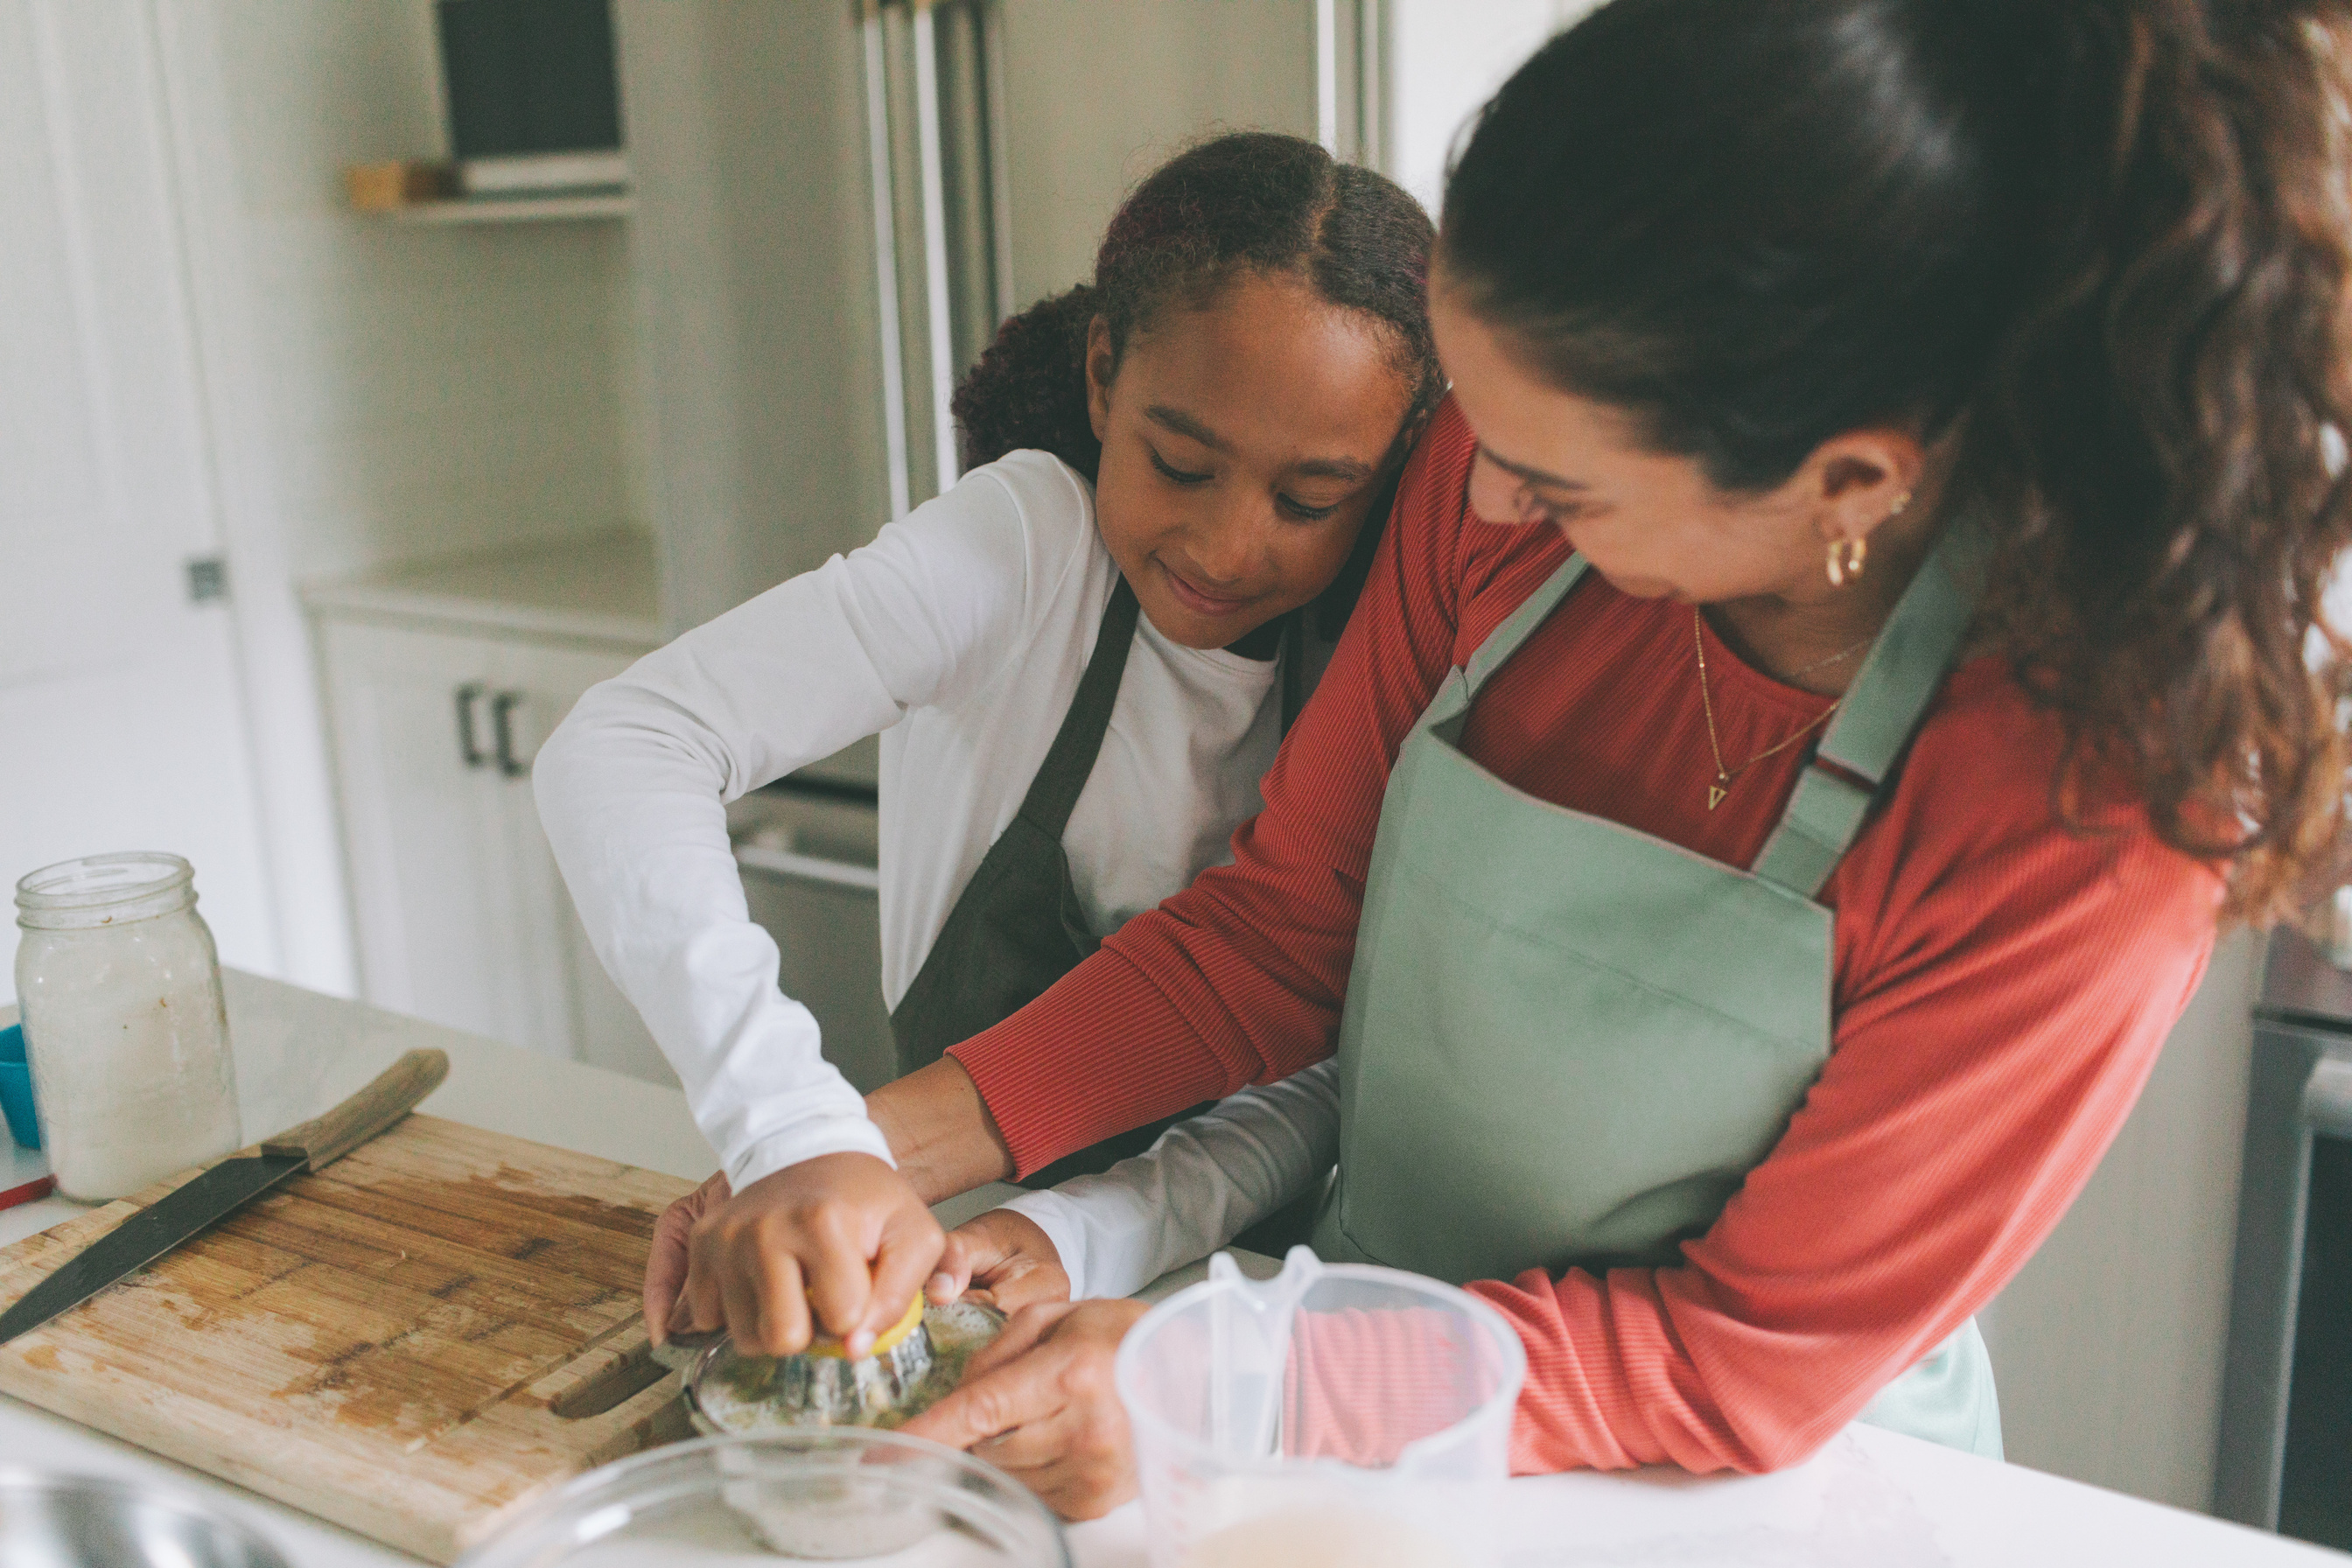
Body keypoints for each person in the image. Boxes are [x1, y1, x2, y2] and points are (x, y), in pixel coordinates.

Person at [824, 0, 2352, 1516]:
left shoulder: (2089, 804)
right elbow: (1284, 925)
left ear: (1848, 483)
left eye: (1556, 478)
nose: (1477, 501)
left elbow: (1737, 1357)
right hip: (1358, 1376)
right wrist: (856, 1148)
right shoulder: (1487, 492)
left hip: (1742, 1486)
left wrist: (1227, 1384)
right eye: (1477, 426)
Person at [534, 131, 1444, 1359]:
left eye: (1310, 502)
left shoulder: (1390, 638)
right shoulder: (1023, 547)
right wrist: (795, 1133)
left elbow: (1331, 1044)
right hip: (937, 1252)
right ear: (1104, 375)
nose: (1232, 548)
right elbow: (626, 745)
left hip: (1232, 1302)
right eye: (1181, 463)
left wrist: (1090, 1230)